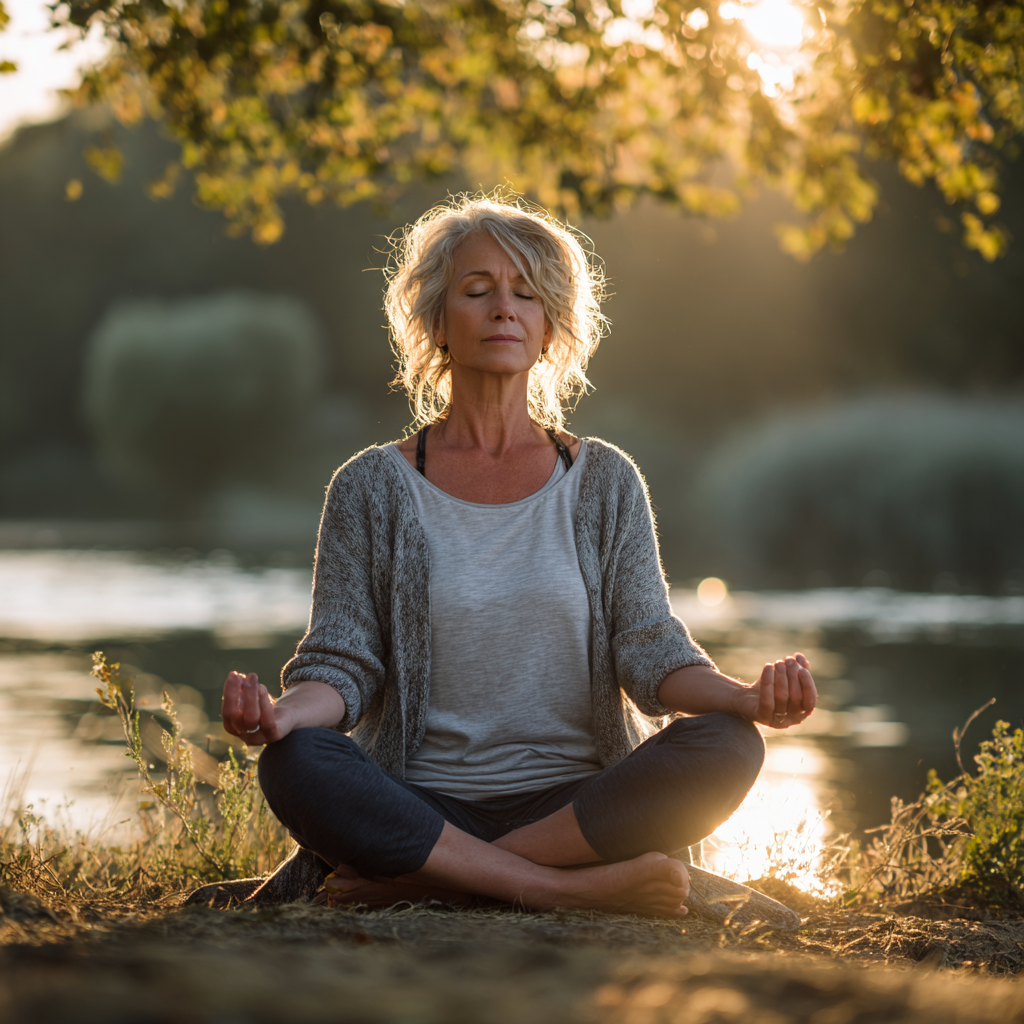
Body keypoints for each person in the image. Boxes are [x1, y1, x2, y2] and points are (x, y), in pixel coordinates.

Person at [211, 195, 817, 918]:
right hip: (425, 802)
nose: (504, 308)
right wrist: (282, 717)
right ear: (437, 323)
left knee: (728, 744)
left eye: (526, 295)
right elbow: (341, 666)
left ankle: (433, 878)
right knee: (299, 762)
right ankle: (553, 888)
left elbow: (653, 654)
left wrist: (744, 698)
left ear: (549, 327)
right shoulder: (370, 487)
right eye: (478, 292)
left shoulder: (605, 482)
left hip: (577, 809)